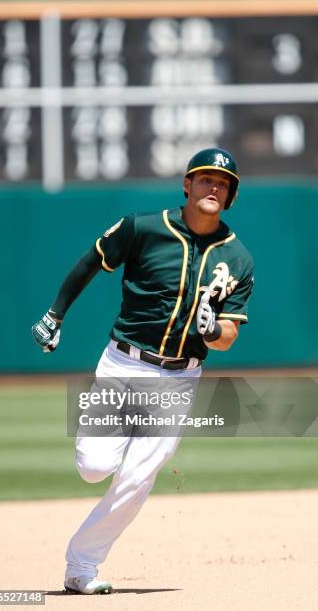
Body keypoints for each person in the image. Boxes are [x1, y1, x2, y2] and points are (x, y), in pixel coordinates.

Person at [32, 147, 254, 595]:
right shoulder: (144, 228)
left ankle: (82, 566)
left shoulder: (239, 259)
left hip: (179, 378)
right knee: (94, 467)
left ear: (230, 195)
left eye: (223, 183)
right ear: (187, 184)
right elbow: (91, 261)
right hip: (122, 363)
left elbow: (228, 334)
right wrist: (55, 315)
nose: (214, 187)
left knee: (137, 477)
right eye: (206, 178)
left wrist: (213, 331)